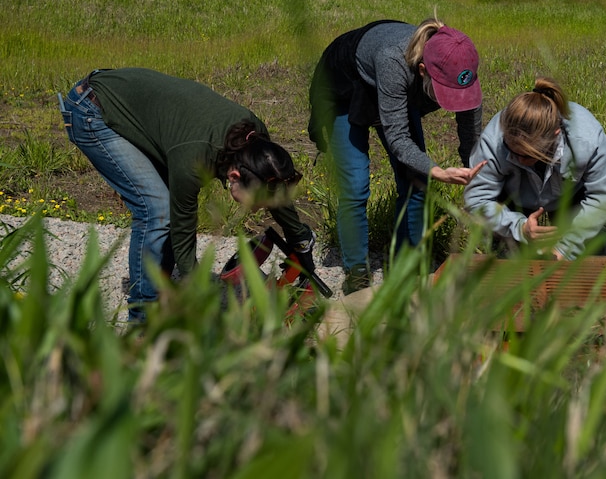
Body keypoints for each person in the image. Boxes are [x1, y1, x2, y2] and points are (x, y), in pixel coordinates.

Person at [58, 68, 317, 323]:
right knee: (157, 210)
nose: (255, 211)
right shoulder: (193, 159)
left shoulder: (256, 140)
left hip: (136, 103)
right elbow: (183, 233)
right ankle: (143, 320)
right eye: (253, 204)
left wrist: (300, 240)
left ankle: (162, 294)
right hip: (92, 108)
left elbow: (274, 183)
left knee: (164, 207)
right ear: (234, 177)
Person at [308, 18, 486, 294]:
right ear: (424, 71)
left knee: (416, 183)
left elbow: (470, 130)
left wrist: (473, 169)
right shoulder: (394, 60)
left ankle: (403, 263)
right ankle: (357, 270)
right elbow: (399, 139)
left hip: (392, 87)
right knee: (356, 186)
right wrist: (437, 170)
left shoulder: (460, 65)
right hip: (345, 88)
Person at [464, 76, 606, 260]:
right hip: (514, 199)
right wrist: (519, 228)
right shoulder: (493, 141)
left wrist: (565, 249)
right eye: (511, 152)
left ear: (555, 136)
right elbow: (477, 200)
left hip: (570, 196)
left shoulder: (588, 140)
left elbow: (601, 199)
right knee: (511, 258)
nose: (517, 159)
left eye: (527, 156)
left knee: (598, 245)